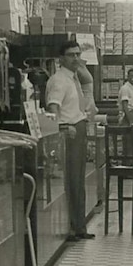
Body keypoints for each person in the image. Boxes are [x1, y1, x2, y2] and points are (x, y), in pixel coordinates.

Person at [45, 40, 95, 242]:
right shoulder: (59, 80)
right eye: (71, 55)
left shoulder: (73, 79)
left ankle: (79, 226)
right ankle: (73, 228)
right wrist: (61, 130)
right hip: (69, 133)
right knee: (71, 181)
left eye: (78, 54)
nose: (76, 58)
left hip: (78, 129)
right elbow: (53, 108)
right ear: (61, 58)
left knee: (78, 180)